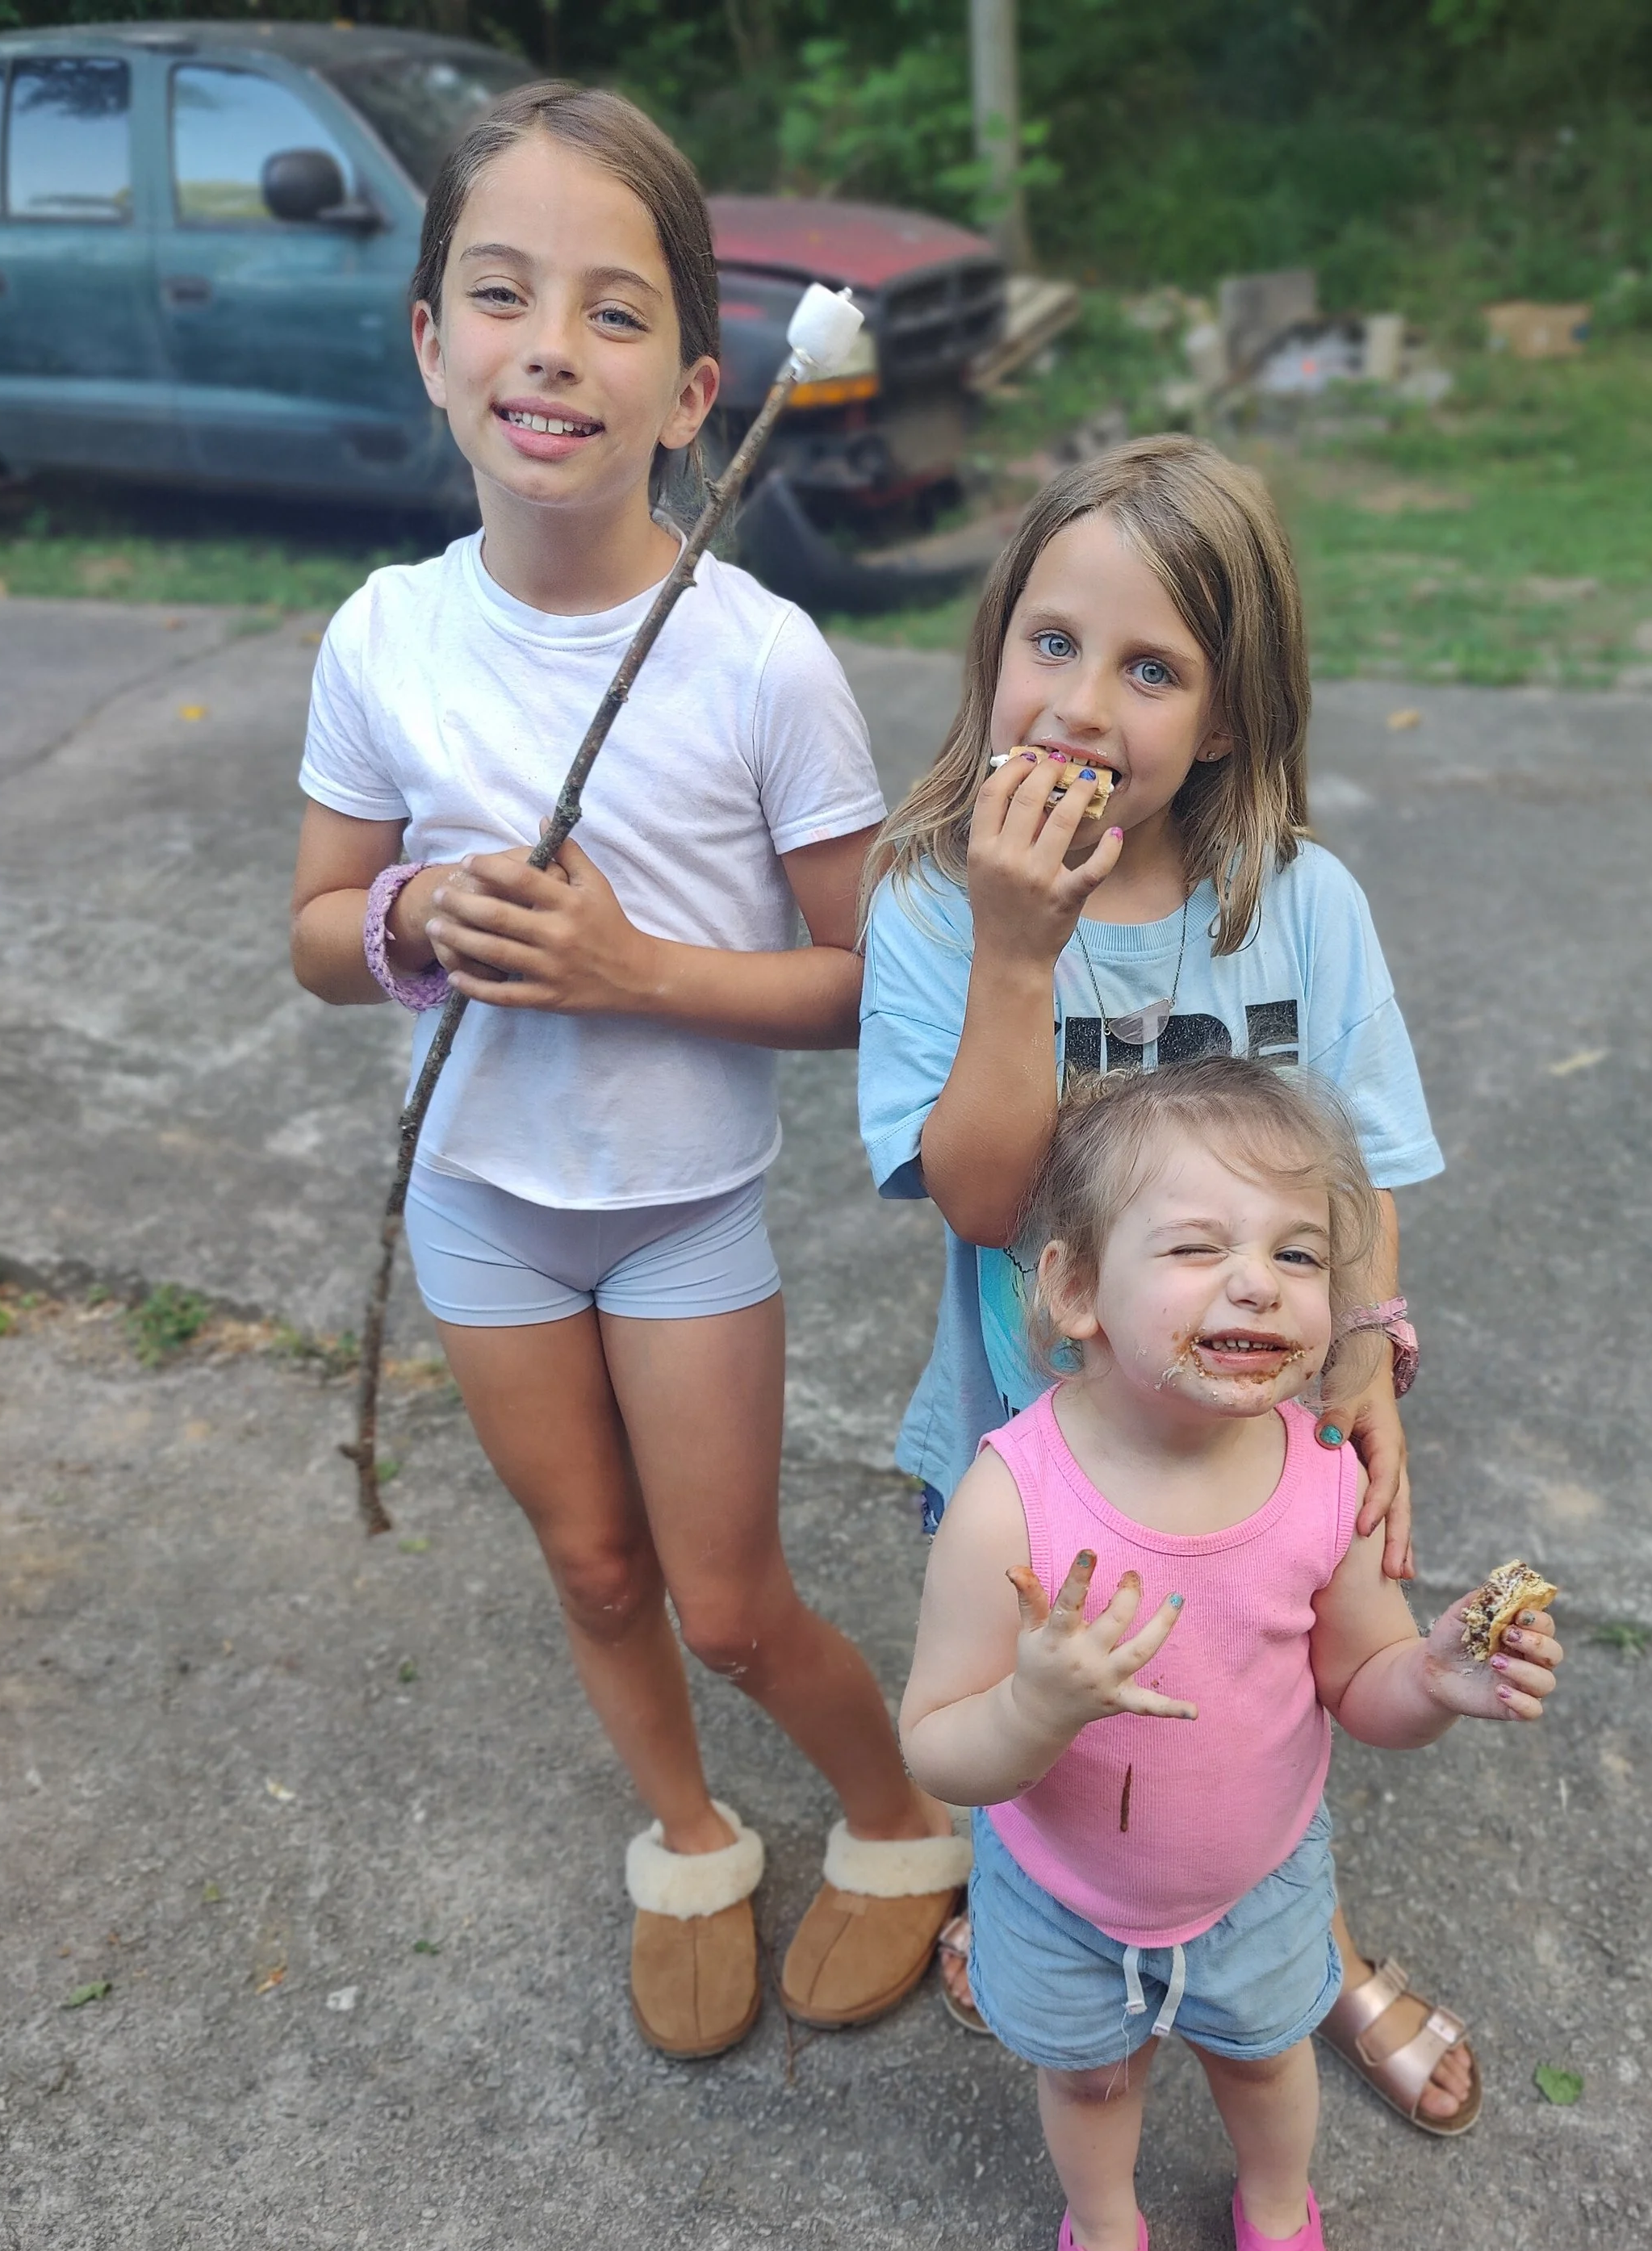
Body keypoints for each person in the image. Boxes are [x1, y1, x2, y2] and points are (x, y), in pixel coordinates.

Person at [289, 82, 969, 2063]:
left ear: (693, 387)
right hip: (479, 1209)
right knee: (592, 1570)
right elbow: (321, 935)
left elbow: (868, 988)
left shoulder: (758, 661)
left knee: (734, 1601)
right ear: (432, 348)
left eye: (612, 310)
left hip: (680, 1219)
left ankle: (895, 1821)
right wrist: (412, 922)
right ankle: (684, 1838)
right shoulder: (384, 640)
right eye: (500, 294)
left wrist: (629, 965)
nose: (548, 347)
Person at [858, 435, 1479, 2131]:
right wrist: (1014, 948)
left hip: (1258, 1450)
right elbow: (984, 1203)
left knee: (1260, 1715)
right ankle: (1035, 1911)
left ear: (1222, 715)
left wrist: (1361, 1345)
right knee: (1037, 1717)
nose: (1077, 703)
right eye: (1048, 643)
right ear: (990, 651)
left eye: (1148, 669)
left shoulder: (1298, 904)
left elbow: (1352, 1177)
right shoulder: (930, 901)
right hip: (1028, 1454)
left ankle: (1307, 1952)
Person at [900, 1060, 1564, 2251]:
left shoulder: (1322, 1485)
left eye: (1296, 1252)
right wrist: (1036, 1705)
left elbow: (1360, 1684)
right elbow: (939, 1748)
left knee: (1267, 2060)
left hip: (1259, 1885)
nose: (1256, 1281)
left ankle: (1275, 2216)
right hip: (1064, 1894)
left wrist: (1432, 1680)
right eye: (1198, 1247)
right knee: (1088, 2082)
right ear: (1076, 1293)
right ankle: (1102, 2237)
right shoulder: (1010, 1503)